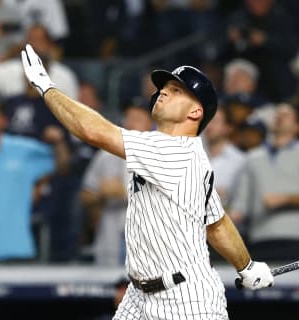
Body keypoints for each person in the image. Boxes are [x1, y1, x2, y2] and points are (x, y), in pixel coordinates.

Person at [21, 44, 273, 319]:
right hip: (139, 296)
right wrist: (246, 266)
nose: (163, 91)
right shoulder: (189, 154)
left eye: (177, 91)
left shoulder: (174, 151)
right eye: (165, 87)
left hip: (185, 301)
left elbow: (92, 131)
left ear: (195, 113)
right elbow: (216, 224)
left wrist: (47, 88)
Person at [229, 103, 299, 261]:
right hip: (259, 238)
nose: (279, 117)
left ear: (298, 126)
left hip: (295, 236)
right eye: (277, 114)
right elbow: (241, 204)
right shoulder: (252, 157)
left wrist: (283, 199)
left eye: (286, 115)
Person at [0, 95, 64, 261]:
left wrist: (38, 188)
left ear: (3, 121)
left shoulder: (24, 150)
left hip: (19, 250)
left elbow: (61, 166)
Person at [81, 101, 153, 266]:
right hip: (110, 239)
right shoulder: (106, 155)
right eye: (128, 118)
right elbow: (85, 195)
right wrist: (99, 195)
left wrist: (123, 192)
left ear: (150, 124)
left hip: (148, 246)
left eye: (137, 119)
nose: (130, 124)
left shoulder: (161, 156)